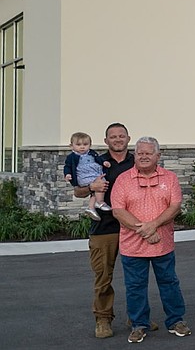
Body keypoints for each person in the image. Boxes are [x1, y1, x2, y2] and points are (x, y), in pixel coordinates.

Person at [110, 136, 190, 343]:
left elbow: (175, 207)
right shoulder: (122, 179)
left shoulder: (170, 178)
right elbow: (118, 211)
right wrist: (146, 231)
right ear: (134, 155)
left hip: (162, 244)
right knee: (135, 287)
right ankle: (138, 324)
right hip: (132, 247)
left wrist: (153, 225)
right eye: (139, 153)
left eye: (148, 153)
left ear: (158, 156)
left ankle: (175, 321)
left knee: (169, 283)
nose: (144, 156)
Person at [76, 123, 133, 339]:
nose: (117, 139)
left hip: (132, 226)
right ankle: (103, 318)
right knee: (103, 277)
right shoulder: (95, 161)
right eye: (112, 136)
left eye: (121, 136)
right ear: (106, 140)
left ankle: (137, 317)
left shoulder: (136, 161)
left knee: (135, 277)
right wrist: (92, 188)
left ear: (128, 138)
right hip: (104, 228)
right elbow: (78, 192)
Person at [64, 131, 110, 219]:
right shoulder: (72, 157)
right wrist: (67, 174)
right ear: (71, 146)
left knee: (95, 190)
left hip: (94, 174)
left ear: (90, 145)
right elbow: (68, 166)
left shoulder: (92, 153)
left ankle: (91, 207)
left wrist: (104, 162)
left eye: (85, 144)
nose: (82, 147)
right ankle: (100, 202)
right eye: (78, 144)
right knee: (100, 184)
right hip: (84, 176)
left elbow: (99, 159)